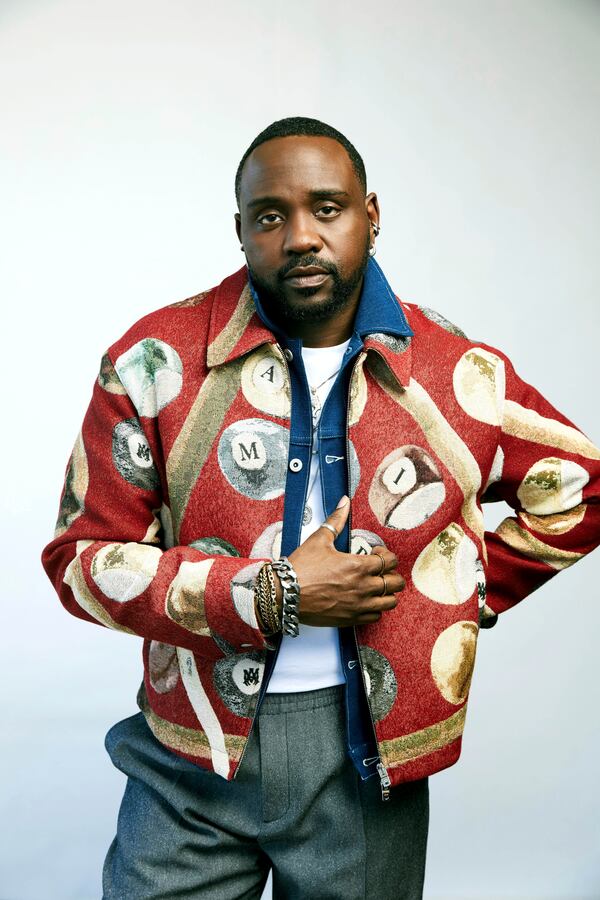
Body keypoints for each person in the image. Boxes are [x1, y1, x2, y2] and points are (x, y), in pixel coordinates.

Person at [41, 116, 600, 900]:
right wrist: (270, 594)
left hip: (367, 762)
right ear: (241, 232)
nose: (301, 236)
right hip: (188, 757)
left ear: (372, 215)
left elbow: (578, 488)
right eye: (271, 216)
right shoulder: (153, 361)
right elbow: (81, 562)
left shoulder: (450, 368)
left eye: (327, 208)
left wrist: (454, 597)